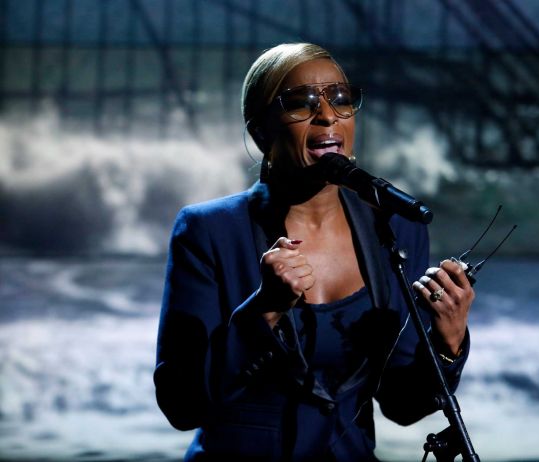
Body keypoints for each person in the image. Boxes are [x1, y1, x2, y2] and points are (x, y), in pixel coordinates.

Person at [154, 43, 474, 462]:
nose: (327, 115)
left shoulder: (397, 229)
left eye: (340, 98)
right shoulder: (209, 231)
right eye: (300, 103)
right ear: (261, 131)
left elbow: (401, 405)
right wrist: (263, 311)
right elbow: (180, 404)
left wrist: (448, 342)